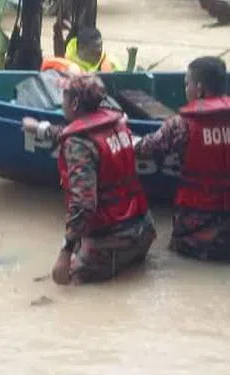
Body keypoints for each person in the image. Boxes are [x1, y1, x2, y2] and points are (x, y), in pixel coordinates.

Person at [133, 56, 230, 262]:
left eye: (186, 84)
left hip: (197, 237)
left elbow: (144, 150)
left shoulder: (182, 125)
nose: (185, 90)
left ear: (199, 87)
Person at [22, 73, 155, 285]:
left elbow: (83, 205)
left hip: (111, 245)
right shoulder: (118, 124)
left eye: (63, 97)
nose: (61, 102)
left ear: (74, 103)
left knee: (61, 285)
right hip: (142, 235)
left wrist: (64, 253)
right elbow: (84, 137)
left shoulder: (78, 143)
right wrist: (40, 128)